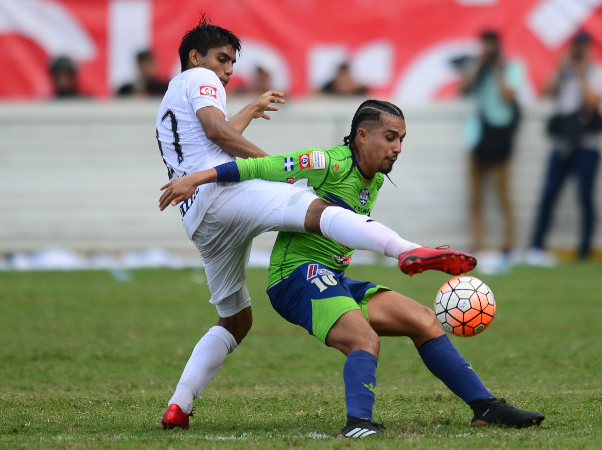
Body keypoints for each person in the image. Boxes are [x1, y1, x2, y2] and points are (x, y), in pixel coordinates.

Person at [155, 18, 476, 430]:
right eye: (222, 59)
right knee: (312, 206)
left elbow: (208, 140)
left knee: (235, 319)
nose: (228, 70)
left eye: (232, 63)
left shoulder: (171, 97)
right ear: (195, 57)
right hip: (220, 193)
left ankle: (178, 405)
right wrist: (270, 169)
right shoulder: (200, 76)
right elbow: (217, 131)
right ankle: (407, 250)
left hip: (198, 216)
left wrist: (250, 110)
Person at [160, 99, 545, 438]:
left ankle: (485, 408)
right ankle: (358, 423)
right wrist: (197, 177)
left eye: (402, 140)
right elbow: (262, 166)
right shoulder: (327, 162)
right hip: (296, 277)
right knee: (364, 339)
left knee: (424, 320)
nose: (397, 148)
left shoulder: (373, 178)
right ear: (362, 136)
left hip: (335, 277)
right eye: (390, 137)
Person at [526, 30, 602, 265]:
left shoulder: (599, 74)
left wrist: (582, 74)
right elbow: (546, 92)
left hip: (587, 145)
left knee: (585, 196)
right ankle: (537, 246)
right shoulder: (565, 73)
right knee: (549, 194)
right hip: (562, 144)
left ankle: (585, 249)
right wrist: (560, 68)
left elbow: (593, 103)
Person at [458, 31, 528, 272]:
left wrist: (497, 69)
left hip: (499, 139)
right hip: (476, 137)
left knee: (502, 194)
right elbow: (463, 89)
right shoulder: (476, 66)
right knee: (475, 197)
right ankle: (478, 244)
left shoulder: (511, 67)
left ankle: (508, 244)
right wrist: (479, 66)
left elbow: (509, 95)